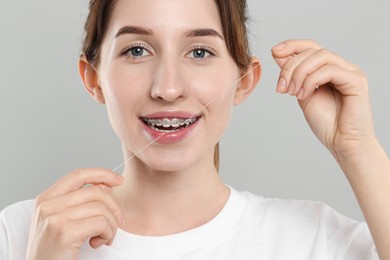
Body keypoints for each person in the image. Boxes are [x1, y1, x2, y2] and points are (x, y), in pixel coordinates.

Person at [1, 0, 389, 259]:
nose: (168, 88)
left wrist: (358, 148)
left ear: (244, 81)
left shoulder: (315, 240)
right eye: (137, 50)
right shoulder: (22, 233)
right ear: (93, 78)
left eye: (199, 52)